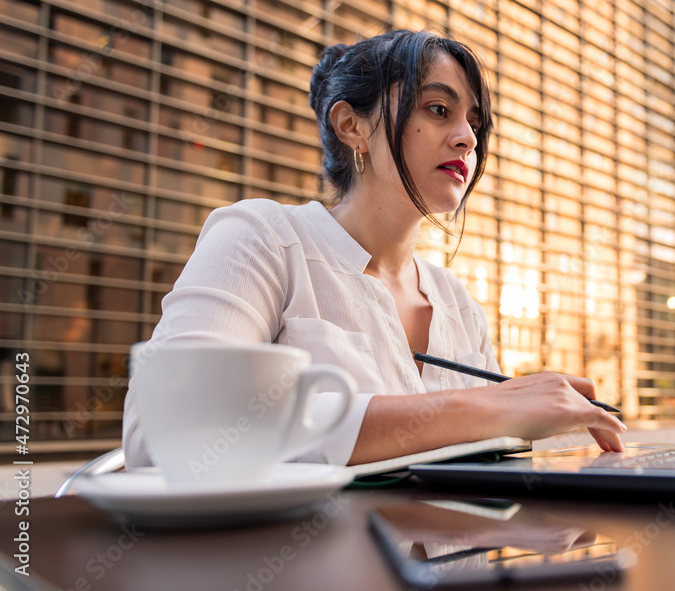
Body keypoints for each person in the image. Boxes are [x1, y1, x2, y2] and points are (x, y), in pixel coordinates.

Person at [123, 29, 625, 469]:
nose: (468, 138)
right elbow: (165, 430)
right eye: (438, 109)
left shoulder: (458, 304)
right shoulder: (264, 239)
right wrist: (486, 408)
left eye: (474, 121)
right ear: (352, 126)